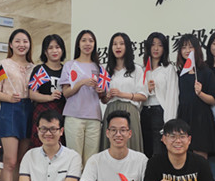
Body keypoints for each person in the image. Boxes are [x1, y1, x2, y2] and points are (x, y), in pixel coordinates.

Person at [0, 28, 35, 181]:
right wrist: (8, 98)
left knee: (22, 164)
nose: (21, 45)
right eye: (17, 41)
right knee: (9, 162)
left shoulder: (34, 67)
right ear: (10, 44)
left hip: (29, 111)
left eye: (25, 41)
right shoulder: (4, 64)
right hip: (10, 111)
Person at [175, 34, 215, 181]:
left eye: (191, 47)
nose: (187, 50)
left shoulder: (205, 72)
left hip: (201, 120)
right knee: (184, 163)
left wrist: (200, 93)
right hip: (183, 119)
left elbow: (213, 100)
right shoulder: (178, 73)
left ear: (197, 49)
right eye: (184, 47)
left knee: (201, 165)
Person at [60, 30, 105, 164]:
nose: (87, 44)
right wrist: (81, 83)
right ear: (78, 44)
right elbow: (66, 93)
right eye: (84, 40)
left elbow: (103, 97)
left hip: (94, 117)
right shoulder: (70, 65)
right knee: (74, 159)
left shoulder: (99, 67)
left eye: (91, 41)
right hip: (74, 117)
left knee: (91, 160)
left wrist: (100, 91)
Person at [100, 32, 147, 153]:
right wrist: (107, 96)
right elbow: (103, 100)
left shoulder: (136, 69)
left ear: (127, 47)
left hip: (129, 110)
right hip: (111, 109)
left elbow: (143, 96)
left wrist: (122, 94)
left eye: (121, 44)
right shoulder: (107, 70)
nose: (118, 47)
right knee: (110, 147)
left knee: (130, 146)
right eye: (115, 44)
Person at [81, 110, 148, 181]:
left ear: (129, 133)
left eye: (123, 130)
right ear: (107, 133)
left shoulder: (141, 160)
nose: (118, 134)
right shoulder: (95, 160)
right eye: (113, 130)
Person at [140, 32, 179, 158]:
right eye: (153, 45)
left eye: (160, 45)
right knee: (145, 150)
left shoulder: (168, 69)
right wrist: (147, 90)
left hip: (160, 111)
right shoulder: (142, 70)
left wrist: (169, 121)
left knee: (159, 152)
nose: (156, 48)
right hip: (144, 111)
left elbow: (173, 96)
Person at [29, 34, 67, 148]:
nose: (54, 51)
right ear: (45, 52)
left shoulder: (67, 70)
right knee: (40, 145)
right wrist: (49, 97)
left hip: (62, 111)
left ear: (62, 50)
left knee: (60, 145)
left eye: (57, 47)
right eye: (50, 48)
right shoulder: (40, 70)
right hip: (42, 112)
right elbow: (32, 94)